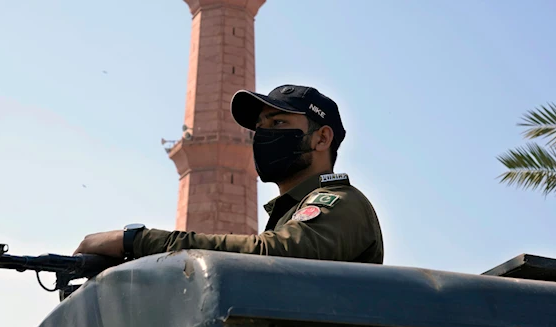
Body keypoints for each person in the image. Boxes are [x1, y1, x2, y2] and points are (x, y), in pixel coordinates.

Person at [73, 84, 384, 264]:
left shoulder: (341, 203)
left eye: (278, 124)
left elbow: (271, 255)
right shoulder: (291, 212)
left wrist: (137, 241)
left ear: (322, 138)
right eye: (260, 127)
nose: (263, 136)